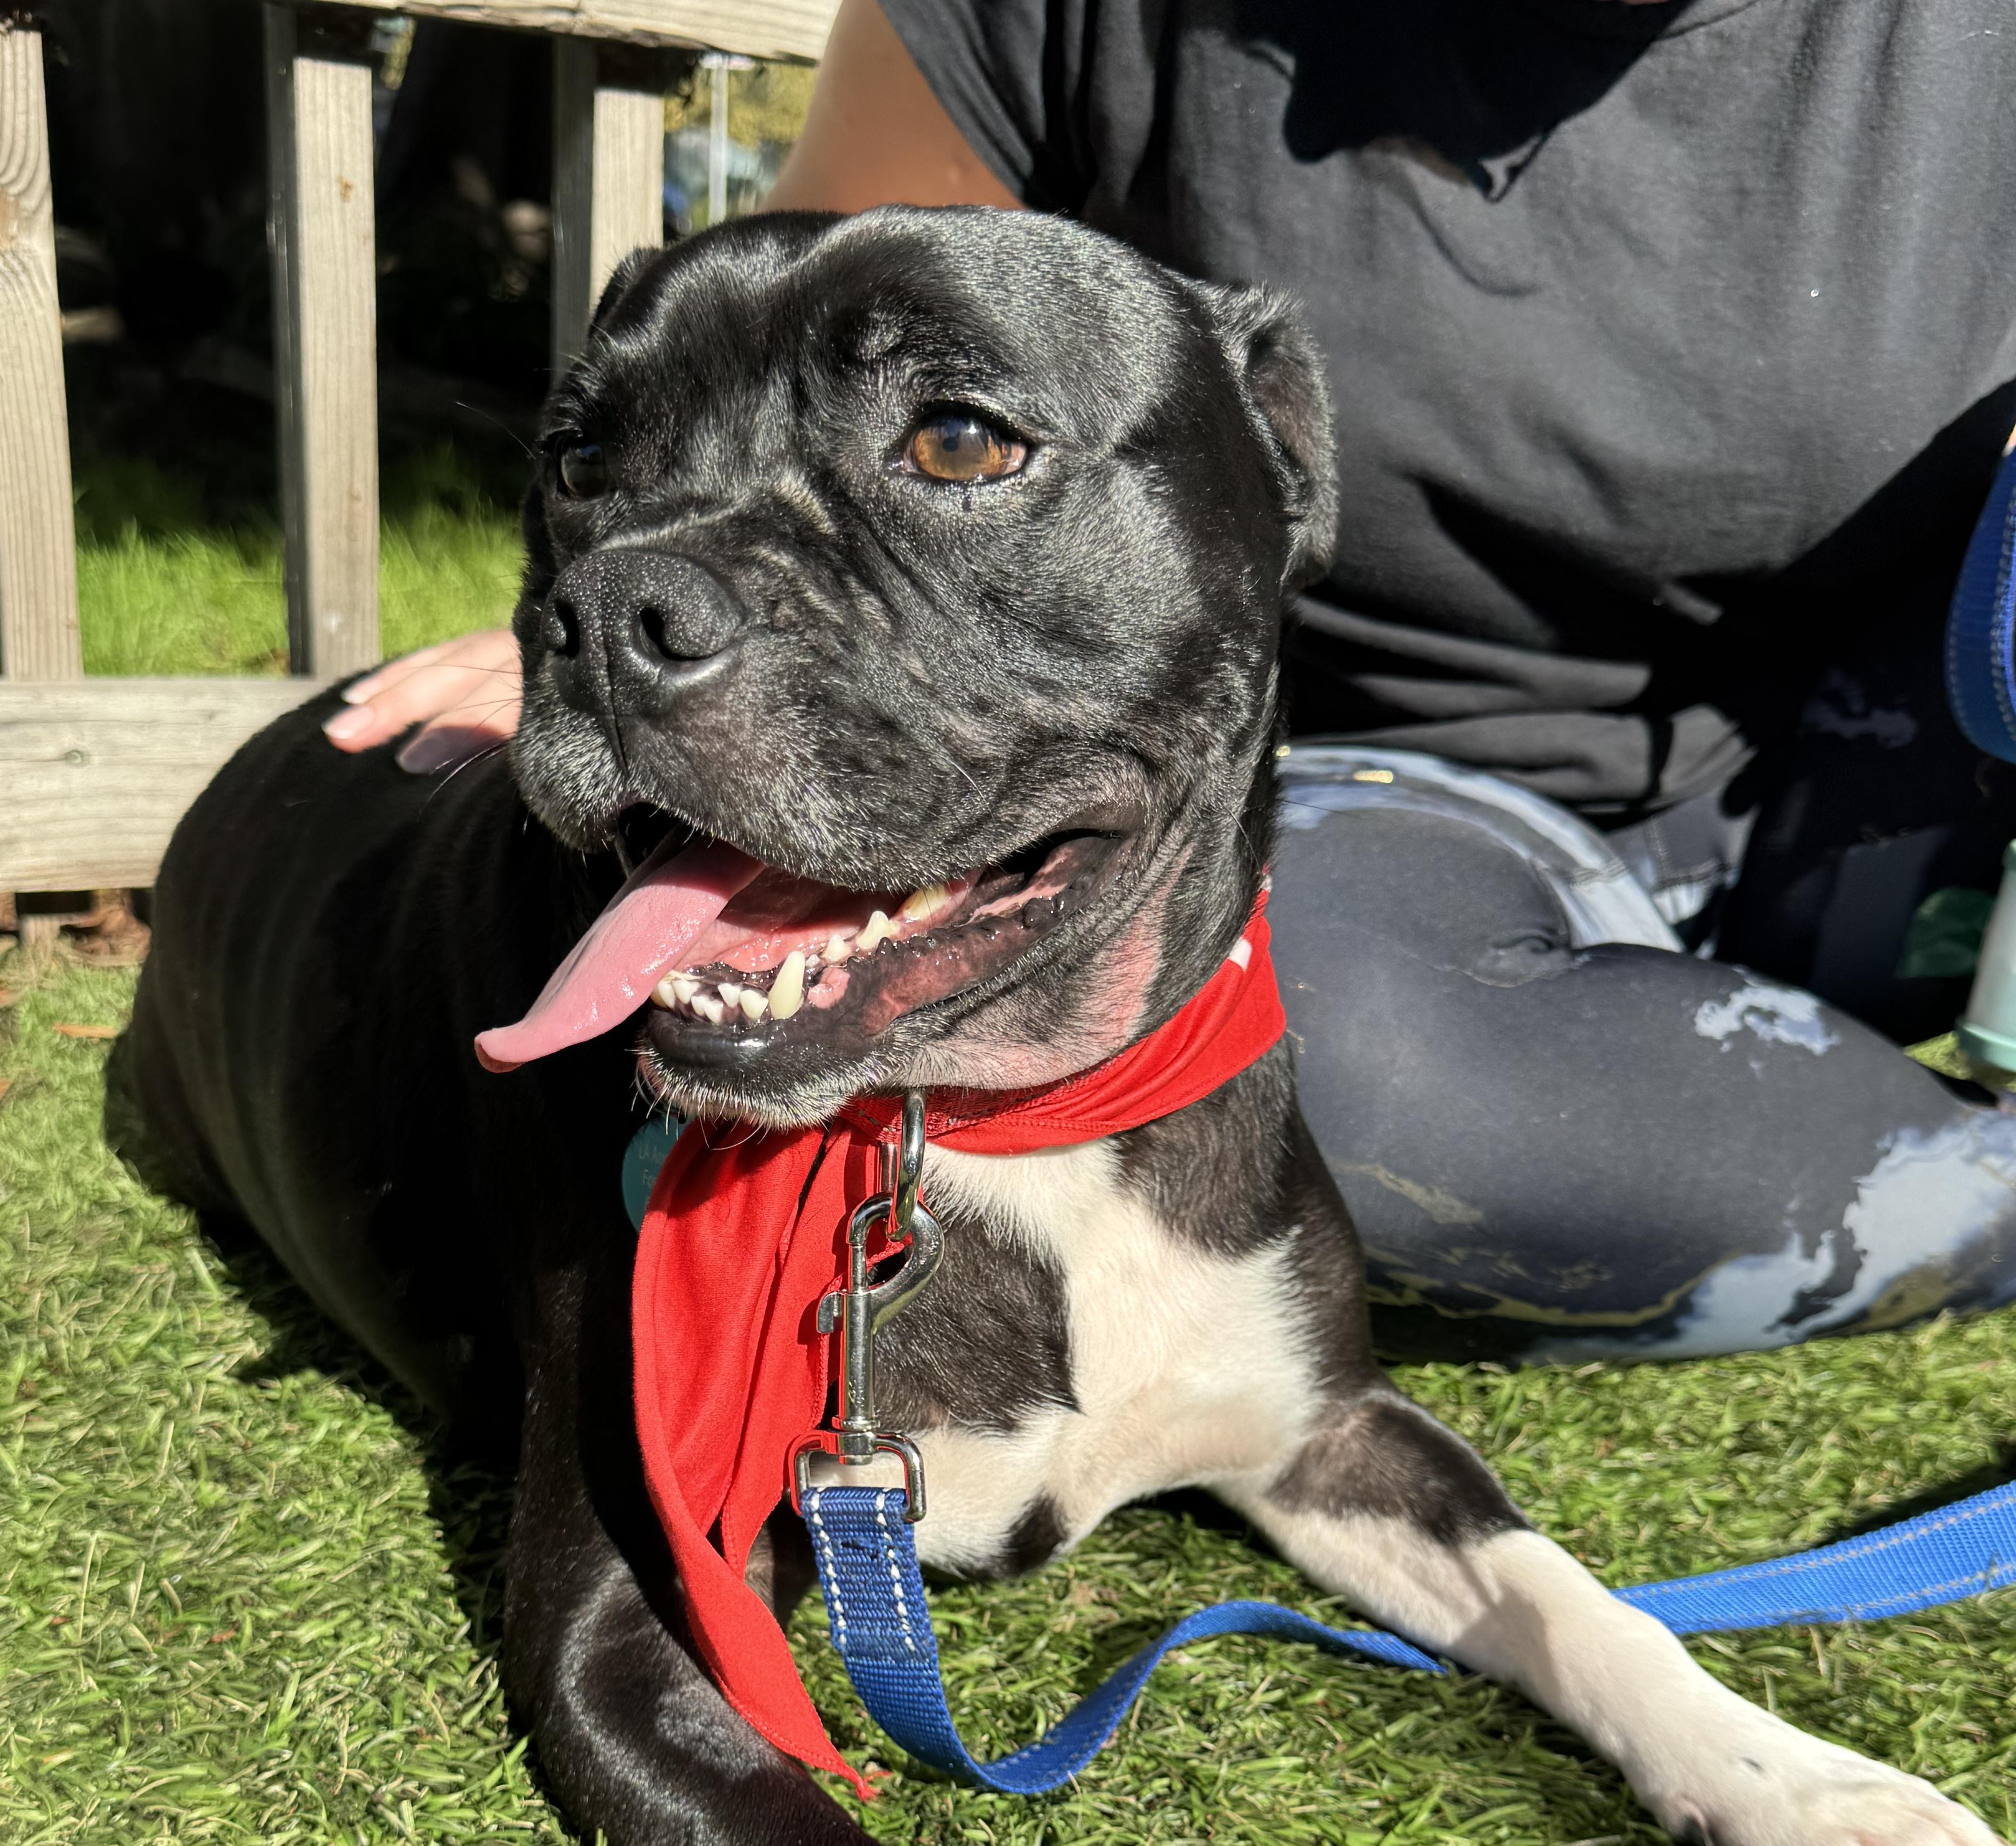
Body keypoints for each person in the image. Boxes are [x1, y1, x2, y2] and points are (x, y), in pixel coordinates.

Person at [326, 0, 2016, 1361]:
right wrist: (660, 622)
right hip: (1405, 788)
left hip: (1928, 780)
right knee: (1338, 1062)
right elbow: (778, 374)